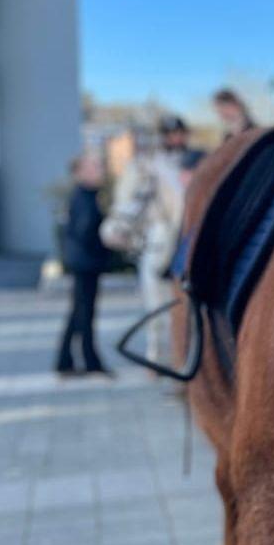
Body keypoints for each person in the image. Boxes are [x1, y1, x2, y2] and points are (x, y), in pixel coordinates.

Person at [100, 117, 187, 366]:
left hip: (185, 231)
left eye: (179, 134)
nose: (176, 139)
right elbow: (132, 200)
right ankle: (156, 354)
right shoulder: (149, 166)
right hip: (161, 233)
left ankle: (178, 357)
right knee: (155, 301)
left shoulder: (190, 161)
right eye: (170, 134)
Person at [56, 154, 113, 377]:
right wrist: (104, 242)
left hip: (84, 261)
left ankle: (66, 360)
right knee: (84, 313)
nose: (98, 171)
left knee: (79, 312)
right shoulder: (84, 197)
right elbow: (85, 230)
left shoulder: (86, 196)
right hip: (86, 262)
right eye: (93, 168)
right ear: (79, 173)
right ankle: (89, 361)